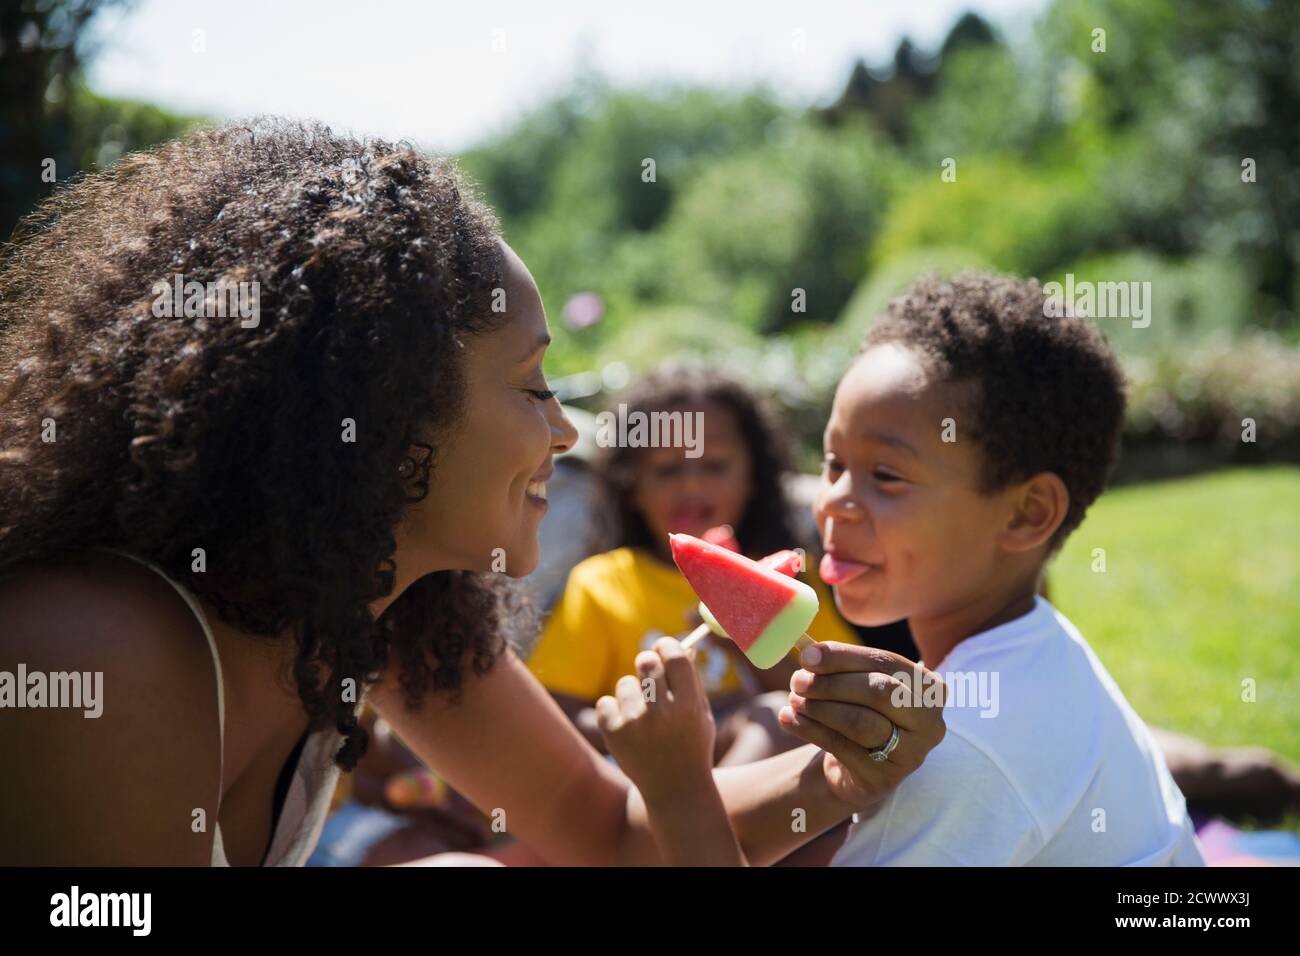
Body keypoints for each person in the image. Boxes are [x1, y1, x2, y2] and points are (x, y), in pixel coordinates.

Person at [0, 119, 945, 866]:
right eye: (535, 385)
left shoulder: (383, 621)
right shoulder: (93, 651)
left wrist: (841, 772)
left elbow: (609, 832)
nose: (567, 431)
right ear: (387, 410)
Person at [598, 274, 1206, 866]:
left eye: (886, 475)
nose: (832, 498)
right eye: (834, 463)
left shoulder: (956, 750)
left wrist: (678, 790)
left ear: (1027, 514)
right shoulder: (1035, 648)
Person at [527, 363, 861, 766]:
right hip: (648, 783)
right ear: (631, 485)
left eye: (714, 465)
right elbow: (558, 715)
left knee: (775, 716)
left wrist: (742, 638)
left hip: (776, 779)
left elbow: (838, 695)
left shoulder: (787, 577)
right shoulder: (602, 584)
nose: (691, 486)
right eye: (667, 469)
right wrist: (663, 726)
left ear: (753, 477)